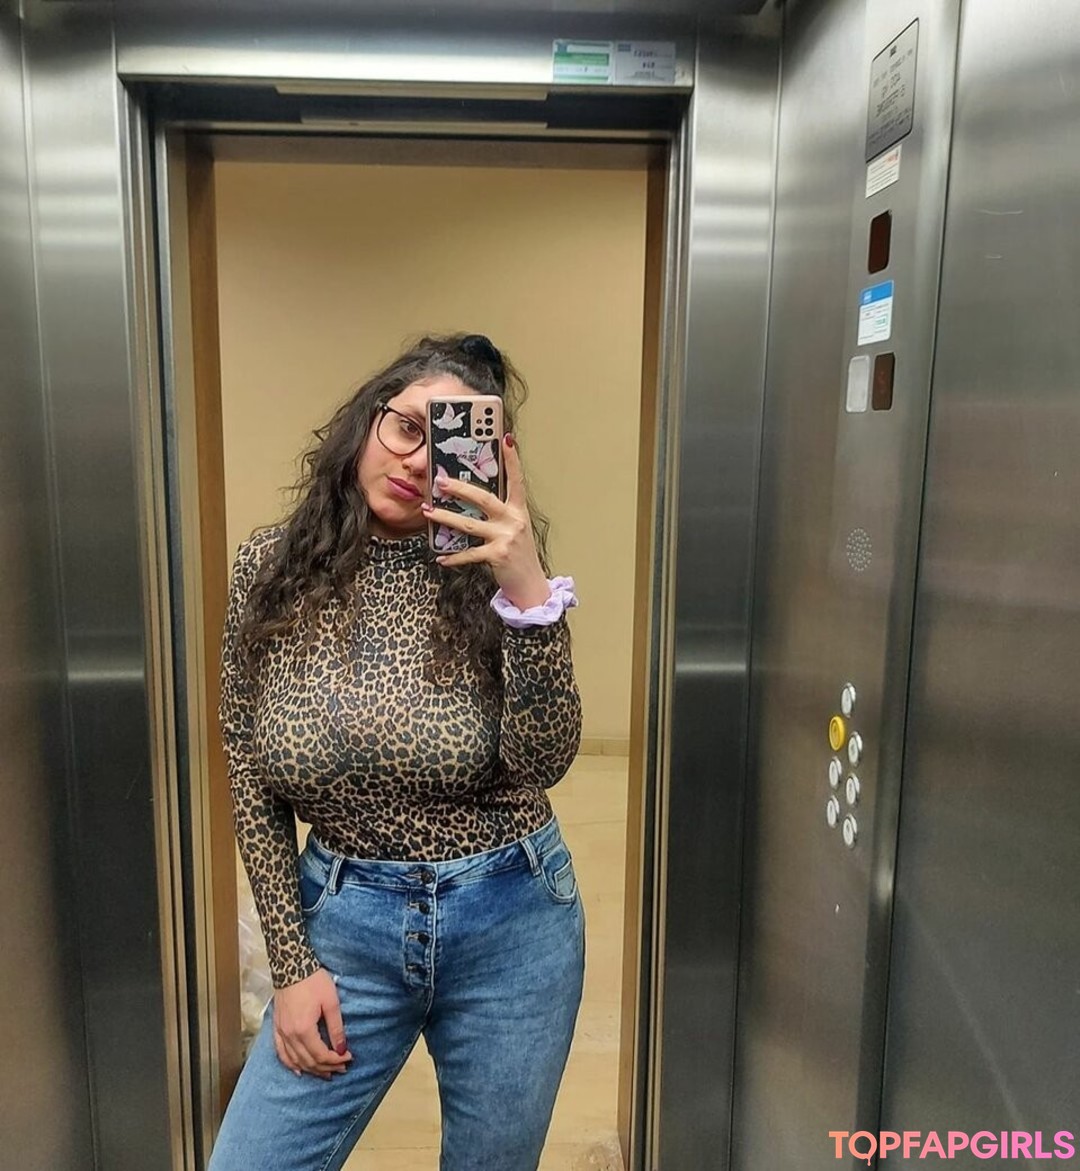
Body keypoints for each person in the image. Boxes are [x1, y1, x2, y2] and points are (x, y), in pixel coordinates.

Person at [208, 333, 585, 1171]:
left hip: (512, 921)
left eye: (446, 440)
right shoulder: (268, 567)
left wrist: (528, 591)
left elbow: (544, 761)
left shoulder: (495, 571)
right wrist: (290, 964)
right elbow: (249, 772)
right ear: (366, 422)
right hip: (345, 923)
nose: (418, 459)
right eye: (406, 426)